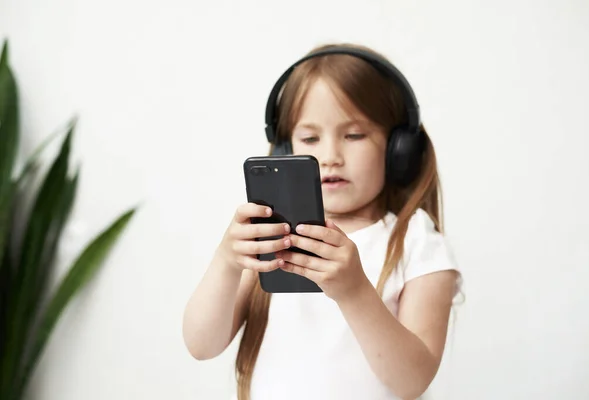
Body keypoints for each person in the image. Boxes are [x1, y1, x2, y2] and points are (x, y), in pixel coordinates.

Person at [182, 42, 463, 400]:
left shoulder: (419, 244)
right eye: (310, 138)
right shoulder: (273, 235)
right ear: (285, 150)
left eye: (355, 135)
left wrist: (354, 291)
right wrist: (226, 261)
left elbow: (412, 381)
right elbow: (201, 345)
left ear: (398, 151)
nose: (330, 156)